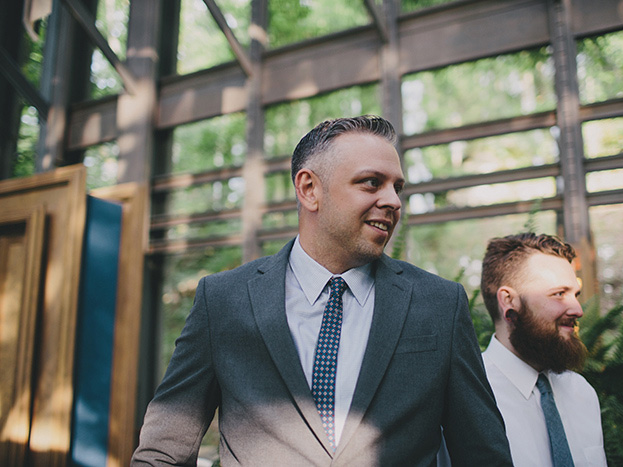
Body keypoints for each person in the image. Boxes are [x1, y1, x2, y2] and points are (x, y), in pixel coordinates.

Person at [132, 116, 512, 466]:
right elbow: (163, 451)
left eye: (397, 187)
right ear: (309, 189)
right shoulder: (223, 301)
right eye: (371, 182)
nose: (394, 201)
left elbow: (483, 455)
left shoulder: (440, 304)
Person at [479, 233, 607, 467]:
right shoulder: (468, 398)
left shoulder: (582, 393)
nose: (578, 309)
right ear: (509, 301)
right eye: (559, 294)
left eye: (575, 295)